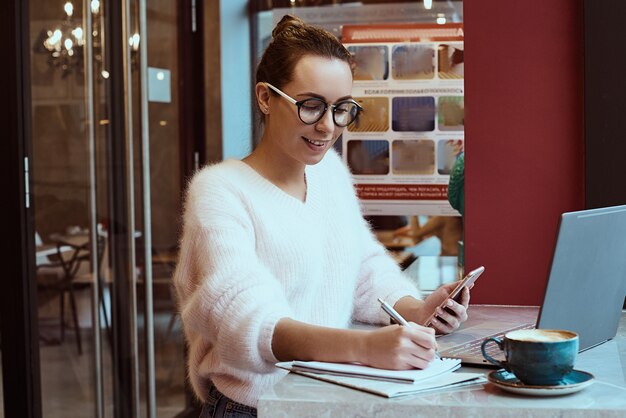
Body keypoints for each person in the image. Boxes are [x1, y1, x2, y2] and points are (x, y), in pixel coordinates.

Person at [173, 14, 471, 417]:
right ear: (265, 97)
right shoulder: (220, 191)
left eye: (341, 108)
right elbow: (246, 322)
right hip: (257, 408)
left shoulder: (329, 172)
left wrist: (415, 311)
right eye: (311, 106)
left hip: (329, 399)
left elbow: (363, 270)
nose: (328, 127)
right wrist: (366, 348)